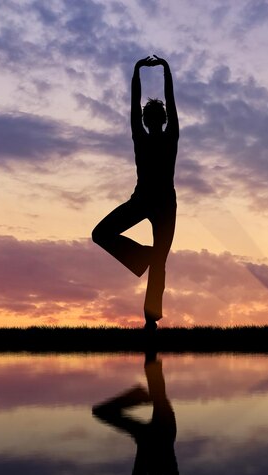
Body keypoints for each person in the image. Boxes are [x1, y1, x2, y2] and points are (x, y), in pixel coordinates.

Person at [92, 55, 179, 331]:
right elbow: (167, 101)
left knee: (104, 235)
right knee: (154, 258)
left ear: (152, 119)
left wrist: (138, 71)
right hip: (147, 201)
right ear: (160, 119)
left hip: (159, 203)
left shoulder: (155, 136)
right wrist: (163, 70)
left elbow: (136, 106)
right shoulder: (161, 135)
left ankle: (150, 320)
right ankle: (146, 259)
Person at [92, 354, 179, 475]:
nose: (154, 474)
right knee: (158, 392)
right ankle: (150, 356)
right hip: (164, 430)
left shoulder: (146, 469)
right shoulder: (168, 471)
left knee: (100, 412)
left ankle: (138, 396)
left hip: (146, 435)